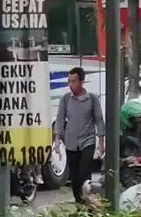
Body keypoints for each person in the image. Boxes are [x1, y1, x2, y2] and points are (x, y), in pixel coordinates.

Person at [54, 67, 105, 206]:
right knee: (75, 177)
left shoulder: (92, 98)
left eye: (74, 81)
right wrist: (57, 139)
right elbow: (60, 118)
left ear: (81, 82)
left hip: (87, 141)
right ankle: (79, 203)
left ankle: (88, 203)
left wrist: (101, 142)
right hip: (71, 142)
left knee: (84, 174)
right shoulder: (65, 99)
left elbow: (99, 120)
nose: (71, 84)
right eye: (69, 81)